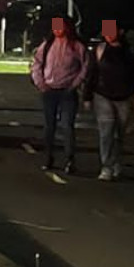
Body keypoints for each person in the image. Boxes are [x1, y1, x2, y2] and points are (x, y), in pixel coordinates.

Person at [82, 20, 134, 181]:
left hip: (124, 97)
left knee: (119, 134)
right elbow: (91, 73)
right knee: (106, 132)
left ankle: (116, 161)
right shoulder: (99, 50)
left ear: (120, 31)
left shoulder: (130, 51)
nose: (108, 34)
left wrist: (131, 91)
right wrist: (87, 96)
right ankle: (106, 166)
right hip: (103, 96)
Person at [30, 17, 87, 173]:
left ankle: (70, 160)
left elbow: (85, 67)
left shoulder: (77, 46)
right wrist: (40, 83)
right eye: (55, 26)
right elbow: (37, 64)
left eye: (60, 26)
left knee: (67, 126)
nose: (57, 29)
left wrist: (75, 84)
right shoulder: (47, 45)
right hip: (49, 91)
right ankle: (48, 158)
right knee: (49, 127)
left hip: (67, 92)